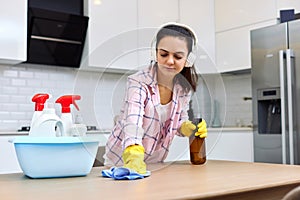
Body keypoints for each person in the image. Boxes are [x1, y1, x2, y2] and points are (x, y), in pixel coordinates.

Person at [103, 22, 208, 174]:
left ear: (188, 59)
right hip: (121, 162)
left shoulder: (183, 88)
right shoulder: (138, 82)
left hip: (155, 162)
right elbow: (133, 120)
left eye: (178, 56)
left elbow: (177, 122)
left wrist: (186, 127)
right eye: (164, 54)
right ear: (155, 53)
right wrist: (133, 154)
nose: (170, 61)